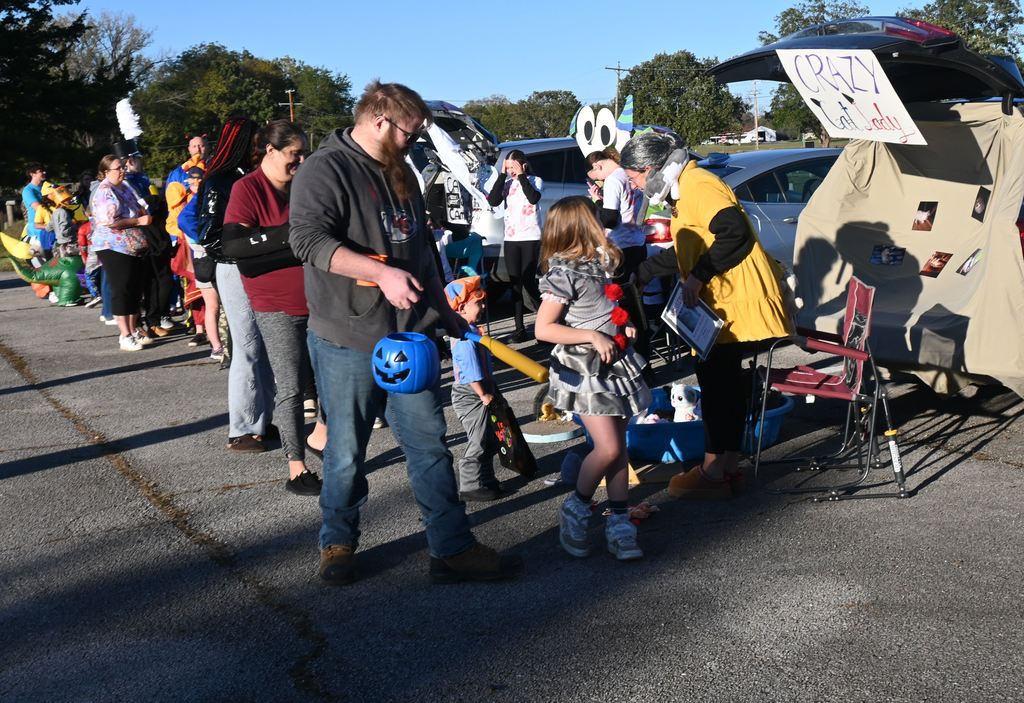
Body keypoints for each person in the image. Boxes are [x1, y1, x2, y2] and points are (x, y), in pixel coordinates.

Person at [289, 80, 523, 586]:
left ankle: (451, 547)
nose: (413, 143)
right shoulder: (325, 169)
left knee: (429, 445)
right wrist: (380, 273)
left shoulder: (402, 170)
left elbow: (421, 253)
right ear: (379, 121)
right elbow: (307, 241)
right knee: (346, 451)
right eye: (409, 134)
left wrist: (446, 311)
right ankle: (337, 542)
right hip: (347, 336)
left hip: (410, 338)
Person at [620, 132, 791, 498]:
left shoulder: (697, 183)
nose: (634, 185)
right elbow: (692, 247)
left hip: (734, 300)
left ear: (649, 169)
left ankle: (713, 472)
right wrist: (645, 271)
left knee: (716, 386)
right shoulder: (685, 188)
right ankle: (727, 466)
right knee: (723, 384)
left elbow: (734, 233)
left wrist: (698, 276)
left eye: (633, 178)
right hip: (723, 301)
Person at [534, 196, 651, 561]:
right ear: (580, 227)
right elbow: (543, 328)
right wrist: (592, 336)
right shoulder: (563, 273)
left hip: (614, 364)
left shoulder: (596, 265)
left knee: (619, 450)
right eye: (597, 219)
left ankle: (619, 523)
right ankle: (575, 509)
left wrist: (623, 326)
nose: (603, 225)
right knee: (609, 448)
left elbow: (603, 309)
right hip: (587, 372)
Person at [221, 119, 322, 495]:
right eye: (295, 153)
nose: (302, 160)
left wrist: (282, 245)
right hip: (276, 304)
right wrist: (290, 239)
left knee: (329, 379)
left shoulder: (302, 187)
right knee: (291, 387)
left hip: (318, 300)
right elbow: (237, 250)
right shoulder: (247, 188)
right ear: (271, 150)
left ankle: (321, 435)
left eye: (304, 153)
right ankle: (297, 468)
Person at [197, 118, 275, 453]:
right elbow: (210, 234)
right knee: (247, 347)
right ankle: (242, 428)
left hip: (258, 265)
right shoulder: (220, 180)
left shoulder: (253, 175)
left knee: (264, 348)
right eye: (257, 141)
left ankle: (261, 420)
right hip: (235, 268)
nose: (262, 147)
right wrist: (253, 247)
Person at [444, 276, 505, 502]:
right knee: (479, 439)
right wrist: (483, 394)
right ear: (461, 308)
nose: (483, 307)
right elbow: (470, 373)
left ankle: (486, 479)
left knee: (491, 437)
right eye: (478, 303)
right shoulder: (464, 340)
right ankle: (470, 485)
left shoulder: (471, 332)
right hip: (471, 394)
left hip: (484, 388)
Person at [89, 154, 154, 352]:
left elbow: (139, 205)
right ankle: (124, 335)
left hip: (132, 244)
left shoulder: (125, 186)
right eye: (118, 168)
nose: (122, 171)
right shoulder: (104, 192)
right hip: (112, 245)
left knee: (135, 287)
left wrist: (144, 213)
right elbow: (111, 222)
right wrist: (137, 221)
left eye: (123, 167)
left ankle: (133, 330)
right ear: (105, 172)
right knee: (122, 288)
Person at [486, 149, 543, 343]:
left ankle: (548, 317)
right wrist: (502, 175)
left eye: (513, 167)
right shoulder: (507, 183)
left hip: (531, 237)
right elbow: (493, 200)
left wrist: (522, 176)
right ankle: (520, 329)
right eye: (508, 167)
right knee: (515, 283)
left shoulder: (535, 181)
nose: (511, 171)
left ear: (523, 165)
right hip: (511, 239)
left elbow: (533, 198)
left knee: (528, 281)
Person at [585, 148, 647, 282]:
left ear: (597, 166)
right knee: (635, 288)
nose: (600, 181)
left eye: (597, 178)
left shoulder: (612, 180)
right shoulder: (630, 173)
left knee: (620, 290)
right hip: (639, 242)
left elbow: (610, 220)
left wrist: (597, 201)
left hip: (621, 245)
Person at [22, 163, 52, 257]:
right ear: (32, 174)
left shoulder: (48, 187)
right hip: (36, 225)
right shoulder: (28, 190)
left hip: (50, 222)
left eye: (44, 170)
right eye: (40, 171)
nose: (44, 172)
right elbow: (38, 208)